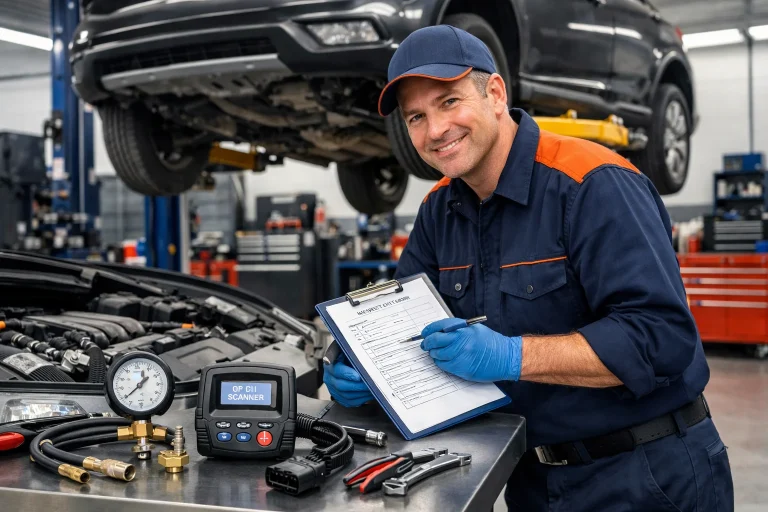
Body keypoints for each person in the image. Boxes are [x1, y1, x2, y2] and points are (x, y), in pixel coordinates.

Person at [323, 25, 735, 511]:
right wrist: (356, 364)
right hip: (531, 481)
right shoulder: (439, 211)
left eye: (449, 102)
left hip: (646, 474)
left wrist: (511, 356)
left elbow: (660, 338)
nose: (434, 130)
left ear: (495, 94)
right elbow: (401, 323)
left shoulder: (592, 183)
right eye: (416, 117)